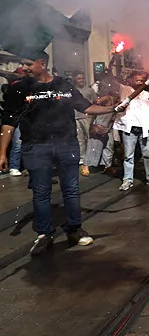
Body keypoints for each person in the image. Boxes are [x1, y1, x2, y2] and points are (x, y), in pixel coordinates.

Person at [0, 52, 121, 255]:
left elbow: (86, 107)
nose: (24, 67)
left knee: (71, 189)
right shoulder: (20, 89)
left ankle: (74, 229)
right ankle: (44, 234)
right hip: (36, 147)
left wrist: (113, 108)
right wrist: (2, 152)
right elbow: (9, 122)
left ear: (43, 64)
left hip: (67, 145)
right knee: (41, 192)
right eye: (23, 64)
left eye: (28, 63)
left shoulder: (63, 85)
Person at [115, 72, 149, 191]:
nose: (140, 83)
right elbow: (112, 80)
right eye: (137, 80)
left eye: (142, 80)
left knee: (147, 154)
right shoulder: (124, 90)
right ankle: (127, 180)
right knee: (129, 156)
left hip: (145, 130)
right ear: (130, 80)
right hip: (130, 130)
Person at [72, 71, 98, 177]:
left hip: (87, 117)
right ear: (75, 80)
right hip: (76, 117)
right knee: (80, 140)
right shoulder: (73, 90)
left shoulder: (89, 90)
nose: (81, 80)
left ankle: (91, 160)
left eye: (82, 78)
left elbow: (96, 102)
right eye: (79, 78)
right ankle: (82, 161)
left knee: (90, 139)